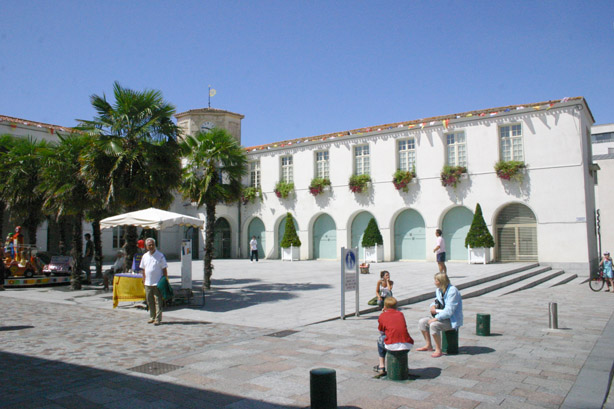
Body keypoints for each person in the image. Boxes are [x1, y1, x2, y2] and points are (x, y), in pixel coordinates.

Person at [417, 272, 463, 358]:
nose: (434, 282)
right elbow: (437, 301)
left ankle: (438, 349)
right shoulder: (439, 290)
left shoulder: (452, 291)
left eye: (436, 280)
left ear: (442, 281)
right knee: (422, 322)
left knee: (434, 325)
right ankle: (428, 345)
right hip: (441, 316)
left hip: (451, 320)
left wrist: (436, 318)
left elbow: (449, 311)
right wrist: (432, 306)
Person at [374, 297, 414, 376]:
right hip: (407, 344)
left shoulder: (382, 315)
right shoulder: (400, 314)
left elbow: (381, 332)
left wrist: (383, 314)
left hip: (392, 345)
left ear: (384, 307)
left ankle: (381, 366)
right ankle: (403, 366)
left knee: (380, 339)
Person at [140, 238, 168, 326]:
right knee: (150, 301)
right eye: (149, 245)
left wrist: (165, 280)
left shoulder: (160, 255)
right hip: (148, 283)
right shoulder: (145, 256)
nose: (151, 246)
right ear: (146, 246)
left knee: (158, 301)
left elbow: (164, 269)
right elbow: (143, 269)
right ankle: (152, 317)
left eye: (152, 245)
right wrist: (143, 279)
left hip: (157, 282)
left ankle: (158, 319)